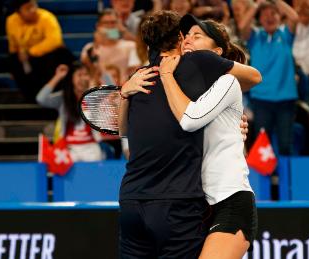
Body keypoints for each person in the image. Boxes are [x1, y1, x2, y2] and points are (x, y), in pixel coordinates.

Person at [117, 11, 261, 258]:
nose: (188, 40)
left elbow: (189, 119)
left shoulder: (221, 80)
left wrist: (165, 75)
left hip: (229, 200)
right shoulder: (194, 82)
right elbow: (126, 132)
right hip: (200, 202)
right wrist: (124, 93)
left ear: (216, 54)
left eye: (198, 36)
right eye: (187, 35)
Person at [239, 0, 299, 156]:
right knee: (261, 144)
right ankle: (265, 180)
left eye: (273, 14)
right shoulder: (255, 37)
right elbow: (242, 27)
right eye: (265, 15)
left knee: (286, 144)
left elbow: (294, 18)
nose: (269, 18)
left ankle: (285, 179)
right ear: (259, 19)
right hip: (261, 100)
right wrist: (257, 5)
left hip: (286, 99)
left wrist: (276, 1)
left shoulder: (285, 35)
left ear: (280, 17)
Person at [6, 0, 74, 101]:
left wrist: (31, 52)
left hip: (45, 56)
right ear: (18, 12)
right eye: (27, 8)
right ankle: (30, 97)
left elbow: (55, 41)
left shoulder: (46, 17)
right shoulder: (11, 21)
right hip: (26, 59)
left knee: (63, 53)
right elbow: (13, 45)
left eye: (34, 5)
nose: (33, 10)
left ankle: (59, 93)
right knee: (13, 59)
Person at [36, 62, 105, 162]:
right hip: (69, 147)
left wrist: (101, 72)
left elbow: (113, 91)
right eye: (79, 75)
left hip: (91, 147)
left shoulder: (95, 96)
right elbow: (41, 99)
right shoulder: (63, 98)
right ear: (72, 78)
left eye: (85, 74)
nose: (82, 79)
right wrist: (58, 76)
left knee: (94, 160)